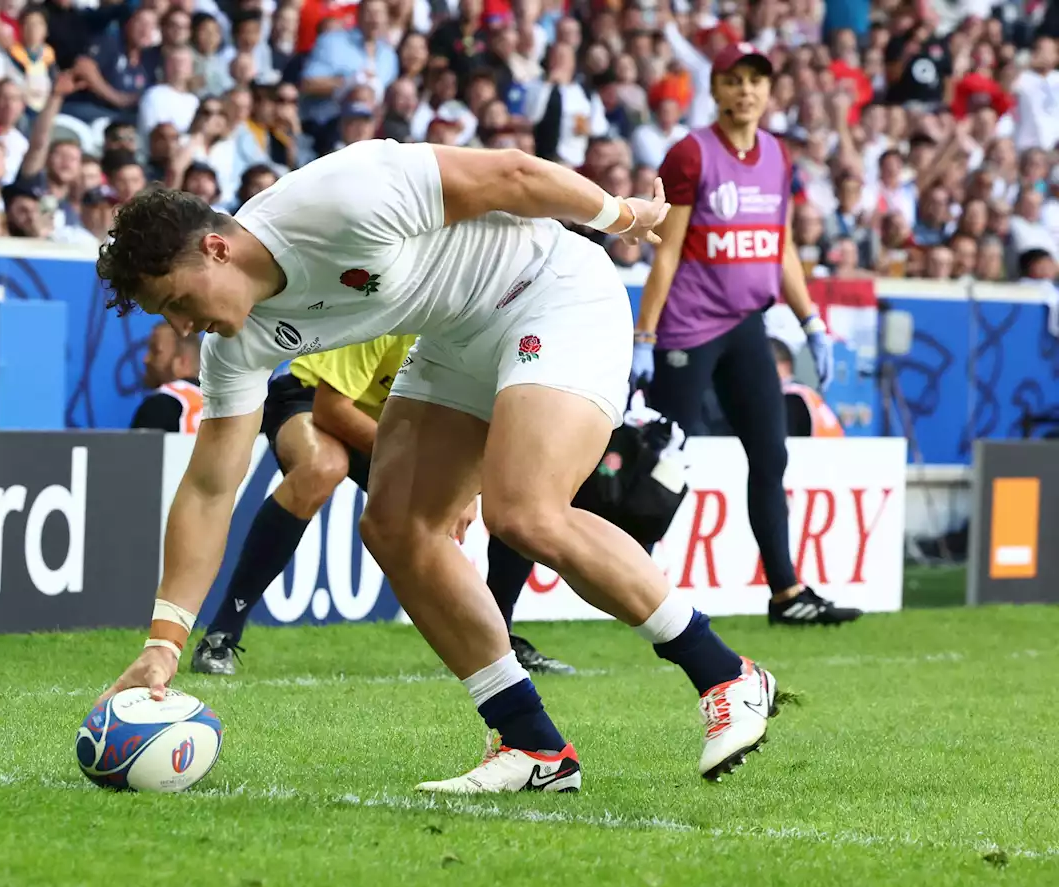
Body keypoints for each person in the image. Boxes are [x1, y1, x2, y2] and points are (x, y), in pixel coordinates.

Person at [94, 137, 779, 792]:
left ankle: (726, 673)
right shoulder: (235, 341)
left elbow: (511, 175)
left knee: (523, 509)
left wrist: (624, 216)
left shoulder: (337, 199)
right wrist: (164, 639)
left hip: (553, 290)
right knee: (395, 526)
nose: (182, 328)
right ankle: (531, 744)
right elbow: (212, 486)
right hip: (456, 335)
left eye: (178, 302)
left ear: (216, 249)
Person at [634, 43, 862, 627]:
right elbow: (668, 253)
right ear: (716, 90)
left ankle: (786, 594)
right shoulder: (690, 154)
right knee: (662, 459)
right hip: (688, 329)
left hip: (746, 327)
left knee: (770, 452)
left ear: (770, 90)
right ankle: (630, 584)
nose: (746, 91)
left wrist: (811, 319)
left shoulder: (778, 157)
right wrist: (646, 335)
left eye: (756, 80)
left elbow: (779, 245)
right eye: (734, 81)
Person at [191, 334, 575, 678]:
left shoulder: (481, 333)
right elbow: (330, 408)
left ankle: (497, 643)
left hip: (394, 422)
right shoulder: (392, 313)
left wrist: (462, 488)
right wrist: (425, 468)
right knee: (321, 468)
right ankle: (221, 633)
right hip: (310, 399)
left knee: (516, 492)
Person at [130, 321, 204, 433]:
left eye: (155, 351)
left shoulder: (159, 406)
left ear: (183, 362)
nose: (146, 359)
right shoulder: (223, 405)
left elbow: (136, 450)